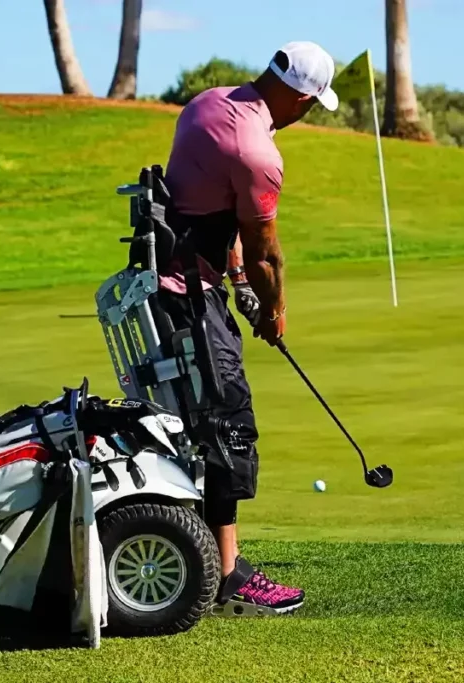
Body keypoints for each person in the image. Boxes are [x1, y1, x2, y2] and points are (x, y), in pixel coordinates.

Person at [156, 41, 339, 614]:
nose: (307, 114)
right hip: (188, 296)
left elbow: (214, 211)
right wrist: (275, 309)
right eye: (312, 105)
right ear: (301, 98)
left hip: (173, 281)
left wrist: (238, 284)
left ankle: (210, 556)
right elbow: (266, 254)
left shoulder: (206, 104)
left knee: (204, 423)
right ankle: (227, 575)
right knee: (227, 424)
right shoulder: (259, 151)